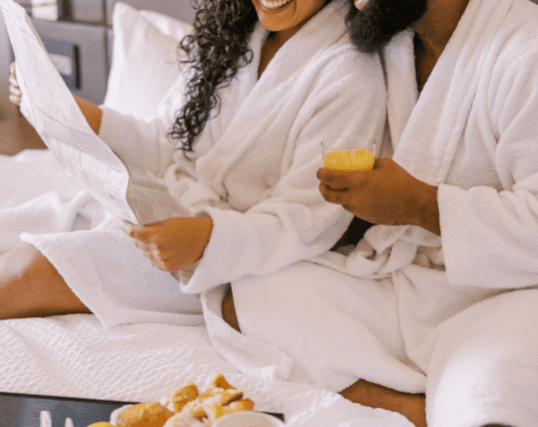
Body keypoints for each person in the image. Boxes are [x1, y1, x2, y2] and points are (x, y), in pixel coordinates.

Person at [0, 0, 385, 328]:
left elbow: (310, 217)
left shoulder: (350, 73)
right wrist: (72, 111)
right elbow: (169, 141)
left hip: (227, 259)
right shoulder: (238, 33)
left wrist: (209, 240)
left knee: (30, 270)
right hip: (159, 207)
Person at [220, 0, 538, 426]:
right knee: (251, 291)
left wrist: (420, 205)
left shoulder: (526, 51)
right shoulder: (394, 40)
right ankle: (411, 408)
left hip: (510, 298)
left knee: (489, 394)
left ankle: (449, 397)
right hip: (414, 281)